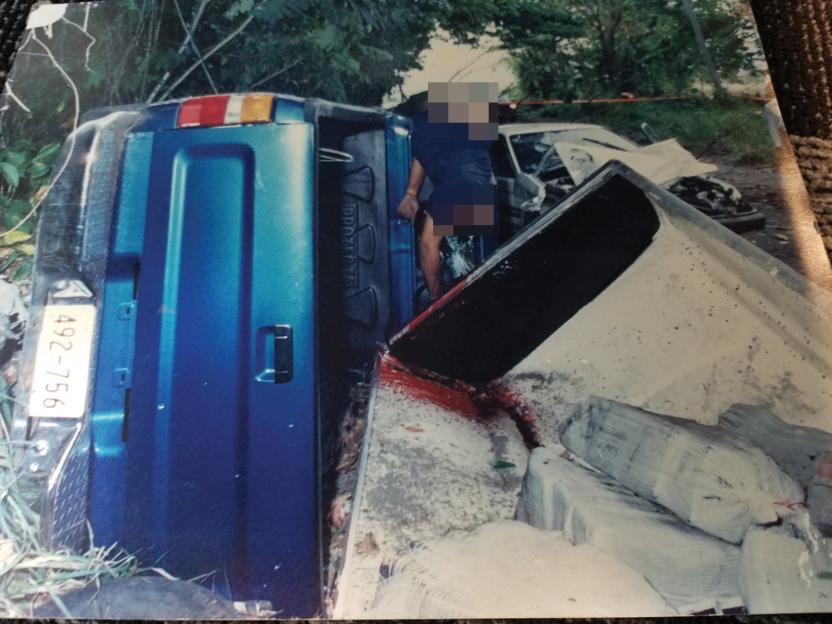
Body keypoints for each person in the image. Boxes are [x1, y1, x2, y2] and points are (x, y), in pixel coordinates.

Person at [397, 82, 498, 301]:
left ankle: (438, 302)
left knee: (429, 244)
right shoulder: (462, 125)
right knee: (466, 249)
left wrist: (411, 194)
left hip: (461, 185)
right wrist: (411, 193)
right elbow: (421, 158)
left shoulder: (432, 126)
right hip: (477, 184)